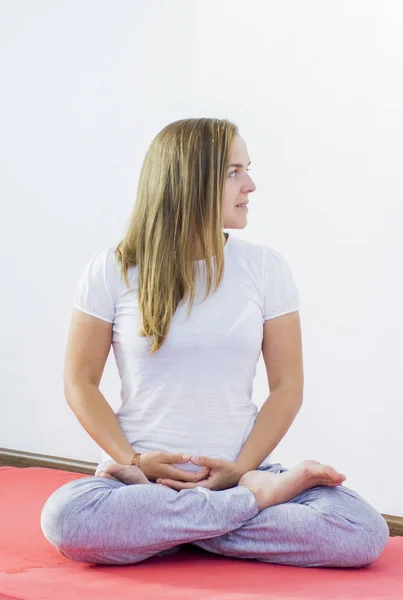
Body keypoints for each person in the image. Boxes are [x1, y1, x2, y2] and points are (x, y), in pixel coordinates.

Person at [40, 117, 388, 567]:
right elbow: (79, 381)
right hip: (135, 483)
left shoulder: (266, 268)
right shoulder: (111, 268)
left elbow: (287, 387)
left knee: (361, 530)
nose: (251, 185)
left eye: (247, 169)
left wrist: (242, 473)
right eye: (233, 172)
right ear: (190, 180)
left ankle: (160, 532)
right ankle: (254, 505)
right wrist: (134, 460)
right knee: (66, 518)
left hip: (242, 472)